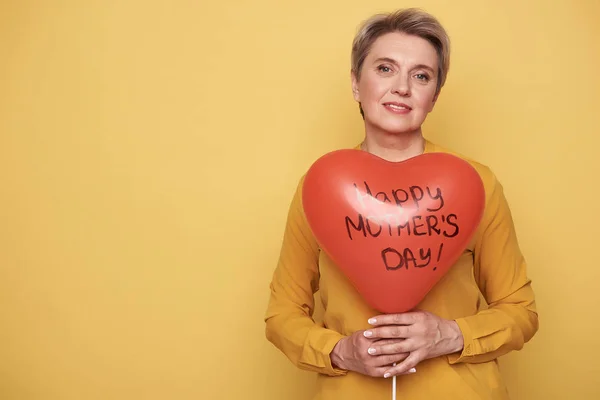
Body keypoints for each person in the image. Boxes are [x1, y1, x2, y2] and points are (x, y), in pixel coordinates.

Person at [264, 8, 538, 400]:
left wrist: (449, 334)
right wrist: (339, 351)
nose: (403, 88)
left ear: (434, 96)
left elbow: (520, 310)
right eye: (385, 69)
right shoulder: (320, 187)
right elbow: (282, 314)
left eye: (421, 75)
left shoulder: (475, 184)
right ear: (356, 83)